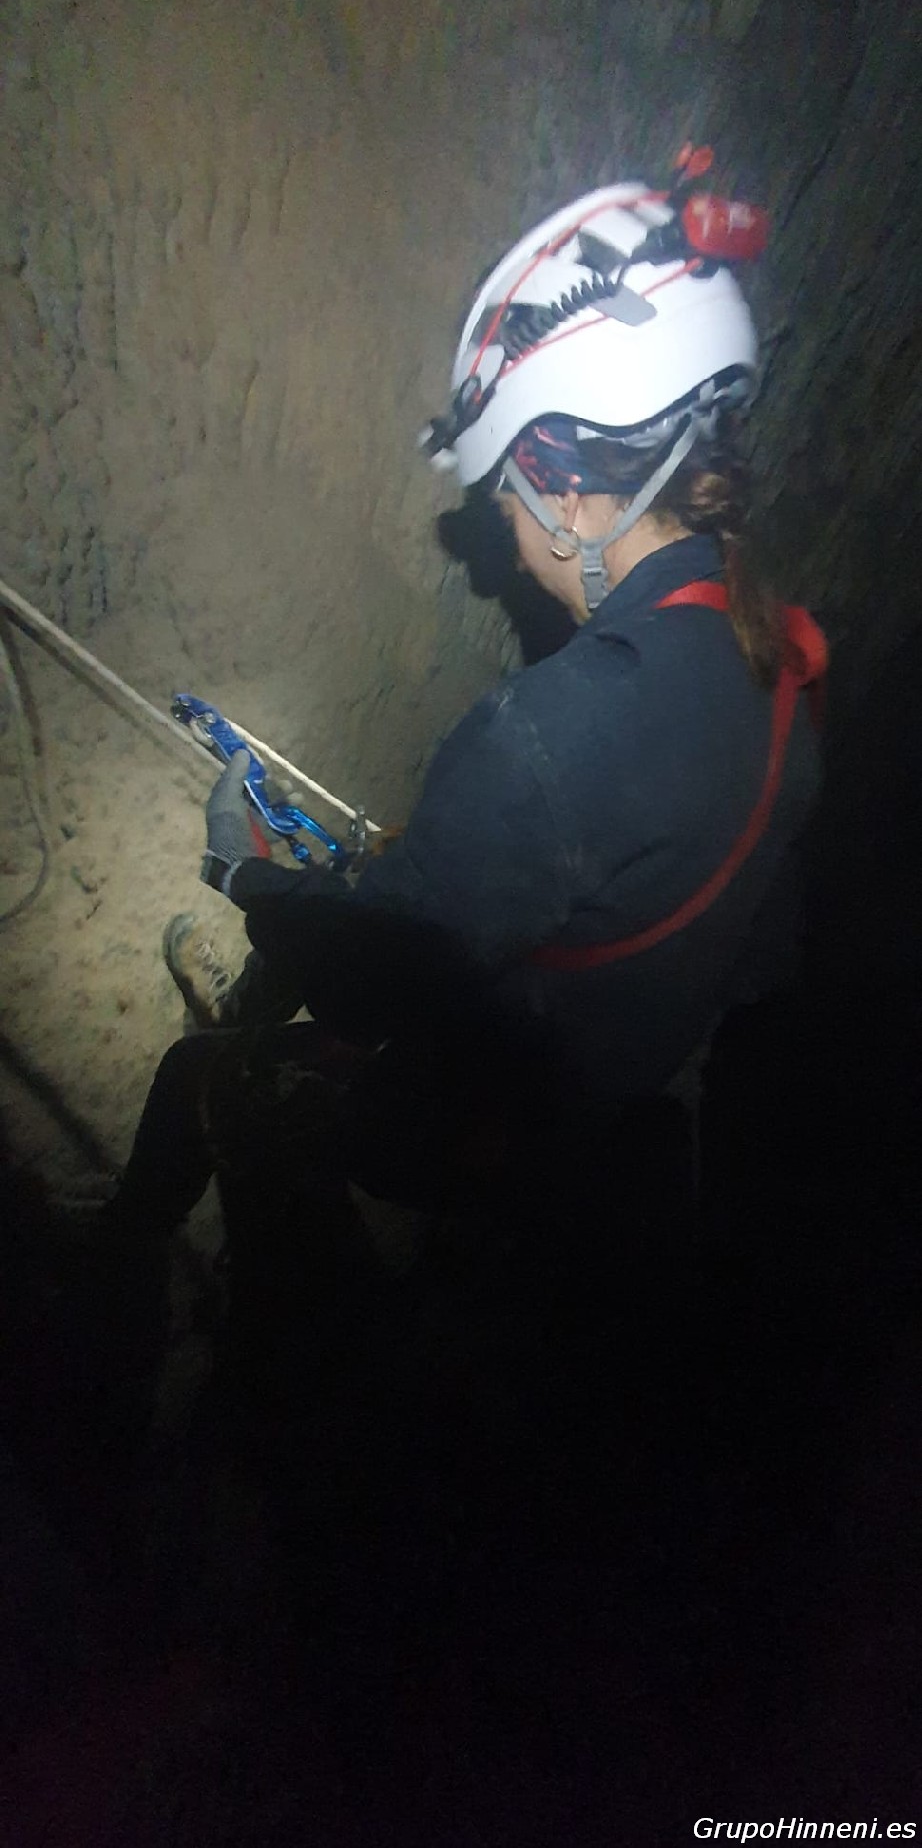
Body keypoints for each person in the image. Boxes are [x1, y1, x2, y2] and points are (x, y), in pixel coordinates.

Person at [83, 161, 827, 1250]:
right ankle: (251, 1018)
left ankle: (157, 1272)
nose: (509, 545)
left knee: (201, 1078)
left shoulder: (542, 738)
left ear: (566, 492)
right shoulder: (785, 677)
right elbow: (756, 959)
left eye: (505, 497)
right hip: (613, 1086)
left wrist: (246, 871)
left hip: (492, 1122)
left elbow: (367, 988)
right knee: (372, 896)